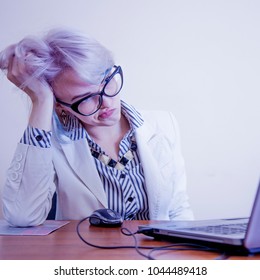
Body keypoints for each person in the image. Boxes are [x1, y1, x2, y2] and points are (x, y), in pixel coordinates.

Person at [0, 28, 193, 227]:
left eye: (107, 82)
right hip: (87, 256)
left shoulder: (163, 124)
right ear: (60, 105)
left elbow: (178, 209)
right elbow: (22, 216)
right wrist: (41, 99)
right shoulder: (50, 143)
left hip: (155, 255)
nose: (106, 103)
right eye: (84, 98)